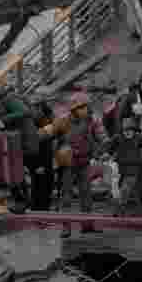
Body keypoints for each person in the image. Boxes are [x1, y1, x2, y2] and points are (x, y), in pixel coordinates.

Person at [43, 92, 108, 237]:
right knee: (66, 197)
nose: (85, 110)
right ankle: (66, 227)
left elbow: (102, 136)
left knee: (86, 195)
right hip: (68, 164)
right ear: (74, 109)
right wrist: (38, 135)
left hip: (84, 162)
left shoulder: (92, 120)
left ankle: (88, 224)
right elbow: (48, 131)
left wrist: (104, 147)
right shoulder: (63, 121)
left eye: (86, 106)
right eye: (81, 107)